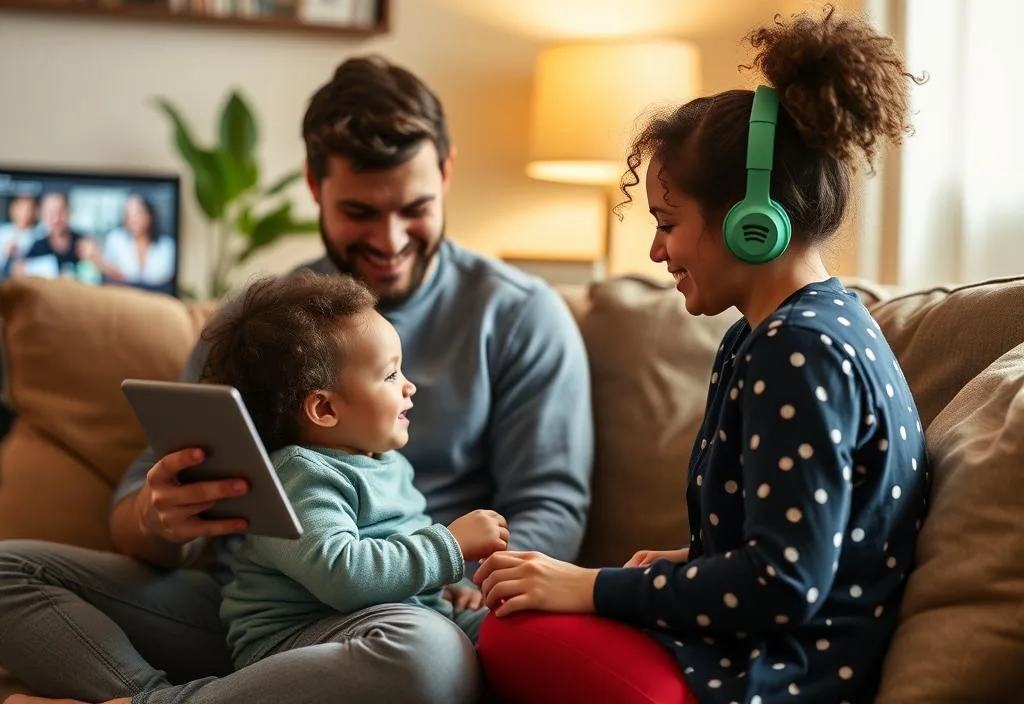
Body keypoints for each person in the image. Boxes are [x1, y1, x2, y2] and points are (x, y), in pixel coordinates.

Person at [0, 55, 593, 704]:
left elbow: (549, 506)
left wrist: (465, 580)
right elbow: (140, 501)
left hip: (402, 613)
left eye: (414, 208)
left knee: (427, 656)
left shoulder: (519, 316)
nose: (390, 240)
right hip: (244, 610)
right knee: (7, 569)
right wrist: (158, 515)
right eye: (360, 212)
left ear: (447, 174)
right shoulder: (264, 327)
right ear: (315, 184)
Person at [473, 7, 929, 704]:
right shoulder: (788, 331)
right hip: (764, 649)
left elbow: (786, 584)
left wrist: (594, 587)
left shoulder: (799, 352)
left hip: (778, 675)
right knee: (518, 613)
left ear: (754, 223)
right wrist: (692, 563)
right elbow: (811, 540)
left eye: (667, 223)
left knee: (510, 630)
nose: (656, 251)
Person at [201, 271, 506, 670]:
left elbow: (398, 550)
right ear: (325, 409)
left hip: (389, 621)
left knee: (513, 628)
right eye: (391, 374)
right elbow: (344, 576)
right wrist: (448, 547)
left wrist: (450, 586)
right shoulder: (299, 476)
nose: (409, 386)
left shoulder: (386, 460)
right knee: (426, 649)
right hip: (299, 642)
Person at [90, 194, 176, 291]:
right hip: (124, 296)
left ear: (149, 214)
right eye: (128, 214)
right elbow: (109, 273)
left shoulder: (167, 245)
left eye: (137, 213)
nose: (133, 220)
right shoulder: (115, 239)